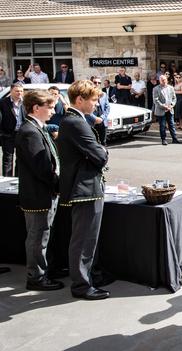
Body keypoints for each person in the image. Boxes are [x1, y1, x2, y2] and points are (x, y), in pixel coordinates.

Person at [57, 80, 109, 300]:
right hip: (84, 188)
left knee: (87, 238)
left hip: (85, 185)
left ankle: (88, 278)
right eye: (94, 99)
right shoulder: (75, 122)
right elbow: (100, 155)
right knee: (84, 239)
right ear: (80, 99)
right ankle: (81, 285)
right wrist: (101, 152)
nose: (97, 104)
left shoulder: (77, 120)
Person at [15, 90, 63, 291]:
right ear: (36, 107)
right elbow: (42, 168)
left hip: (44, 193)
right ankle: (36, 277)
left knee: (43, 235)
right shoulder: (29, 132)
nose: (53, 111)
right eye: (49, 107)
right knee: (37, 237)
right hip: (38, 196)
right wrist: (58, 184)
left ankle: (45, 270)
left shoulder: (38, 128)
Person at [0, 83, 25, 176]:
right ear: (11, 91)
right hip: (8, 134)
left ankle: (18, 179)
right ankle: (6, 180)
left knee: (20, 158)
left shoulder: (25, 102)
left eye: (21, 91)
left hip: (21, 134)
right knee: (8, 158)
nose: (19, 93)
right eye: (17, 91)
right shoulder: (3, 103)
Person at [153, 75, 182, 145]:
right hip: (161, 110)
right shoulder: (156, 89)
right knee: (162, 125)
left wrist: (171, 105)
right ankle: (163, 139)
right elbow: (156, 100)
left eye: (164, 80)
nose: (163, 81)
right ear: (159, 81)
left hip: (170, 109)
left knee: (172, 125)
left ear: (167, 80)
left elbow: (174, 98)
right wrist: (164, 107)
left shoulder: (171, 88)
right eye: (162, 80)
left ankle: (174, 139)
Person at [88, 77, 110, 146]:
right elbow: (86, 109)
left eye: (99, 83)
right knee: (93, 142)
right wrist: (95, 118)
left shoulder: (104, 94)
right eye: (95, 82)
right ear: (91, 83)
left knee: (103, 142)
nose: (97, 84)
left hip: (102, 121)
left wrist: (102, 118)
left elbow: (107, 107)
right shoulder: (88, 95)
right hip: (92, 121)